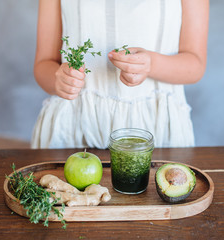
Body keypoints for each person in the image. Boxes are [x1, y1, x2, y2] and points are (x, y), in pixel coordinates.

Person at [31, 0, 209, 149]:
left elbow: (195, 65)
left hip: (156, 128)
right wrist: (59, 80)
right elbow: (43, 64)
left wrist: (151, 65)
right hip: (71, 128)